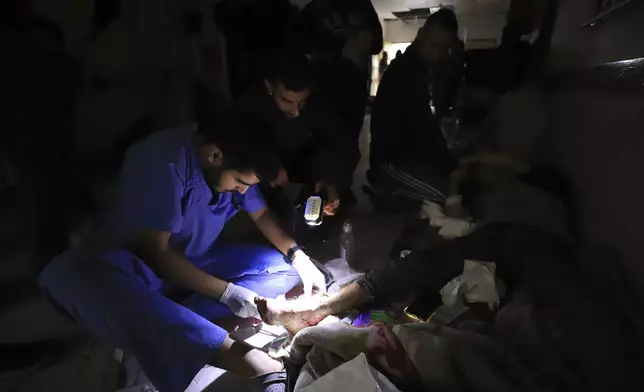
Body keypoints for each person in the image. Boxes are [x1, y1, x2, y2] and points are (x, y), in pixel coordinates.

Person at [38, 114, 328, 392]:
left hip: (194, 259)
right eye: (240, 183)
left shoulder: (234, 165)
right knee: (65, 274)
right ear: (215, 156)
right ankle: (257, 364)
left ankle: (168, 321)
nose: (242, 192)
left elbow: (262, 214)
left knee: (281, 268)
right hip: (136, 268)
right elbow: (156, 255)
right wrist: (231, 294)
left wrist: (298, 255)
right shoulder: (162, 159)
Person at [236, 51, 359, 220]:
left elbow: (345, 145)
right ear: (269, 87)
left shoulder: (320, 103)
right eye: (286, 101)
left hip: (305, 166)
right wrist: (268, 166)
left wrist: (333, 182)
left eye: (302, 102)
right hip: (269, 169)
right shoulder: (251, 105)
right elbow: (241, 143)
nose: (296, 112)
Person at [369, 9, 461, 205]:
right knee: (444, 195)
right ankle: (387, 189)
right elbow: (423, 128)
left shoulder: (422, 69)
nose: (439, 55)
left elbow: (426, 127)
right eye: (435, 45)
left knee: (453, 184)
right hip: (392, 161)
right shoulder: (405, 74)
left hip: (409, 155)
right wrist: (447, 163)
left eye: (445, 49)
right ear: (420, 35)